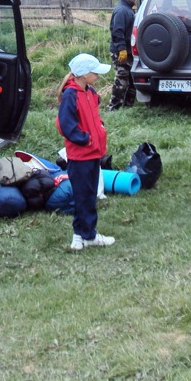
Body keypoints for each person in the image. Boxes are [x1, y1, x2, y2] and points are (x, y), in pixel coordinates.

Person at [57, 53, 116, 251]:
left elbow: (92, 115)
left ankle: (79, 235)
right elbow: (65, 125)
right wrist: (85, 138)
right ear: (83, 75)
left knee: (88, 196)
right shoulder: (70, 95)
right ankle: (89, 236)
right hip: (80, 156)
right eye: (95, 72)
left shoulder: (90, 91)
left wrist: (99, 127)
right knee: (84, 196)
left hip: (93, 154)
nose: (98, 75)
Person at [107, 0, 138, 111]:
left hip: (129, 51)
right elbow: (117, 32)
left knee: (131, 80)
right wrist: (122, 49)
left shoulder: (128, 9)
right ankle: (113, 108)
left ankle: (128, 106)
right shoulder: (121, 11)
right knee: (121, 80)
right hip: (120, 51)